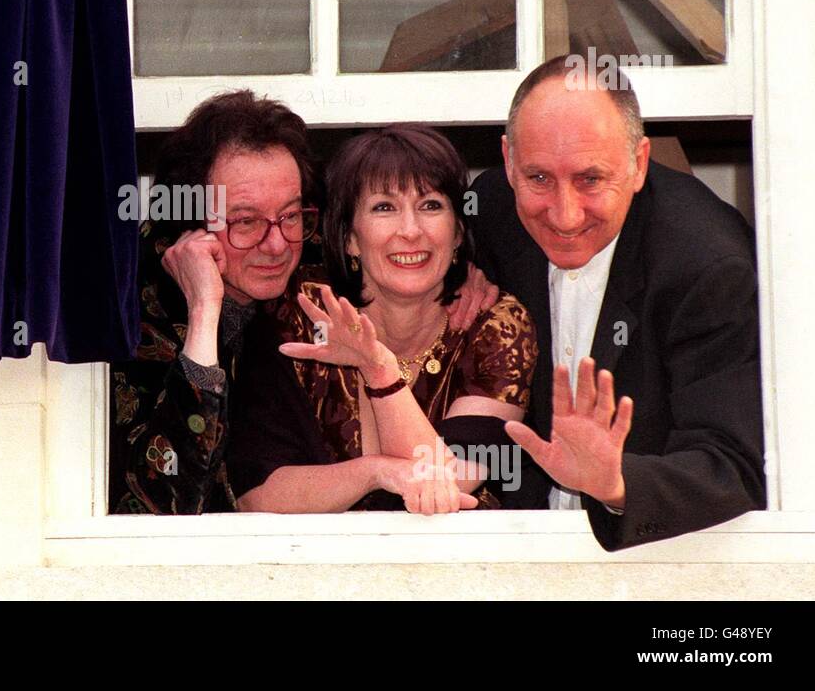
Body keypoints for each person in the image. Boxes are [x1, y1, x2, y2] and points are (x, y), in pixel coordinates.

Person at [110, 93, 497, 515]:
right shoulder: (133, 303)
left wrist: (459, 274)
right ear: (191, 224)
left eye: (290, 215)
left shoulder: (315, 249)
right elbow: (166, 501)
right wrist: (205, 313)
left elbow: (401, 239)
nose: (276, 245)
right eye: (245, 222)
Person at [469, 54, 766, 551]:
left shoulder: (706, 265)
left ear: (639, 163)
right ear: (507, 161)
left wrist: (616, 483)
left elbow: (732, 466)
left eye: (590, 179)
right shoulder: (491, 210)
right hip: (514, 547)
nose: (563, 216)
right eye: (538, 178)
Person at [226, 125, 537, 514]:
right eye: (384, 207)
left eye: (430, 205)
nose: (410, 231)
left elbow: (443, 486)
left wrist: (378, 371)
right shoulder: (299, 311)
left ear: (458, 232)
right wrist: (374, 472)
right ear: (349, 239)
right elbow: (258, 496)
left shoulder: (496, 324)